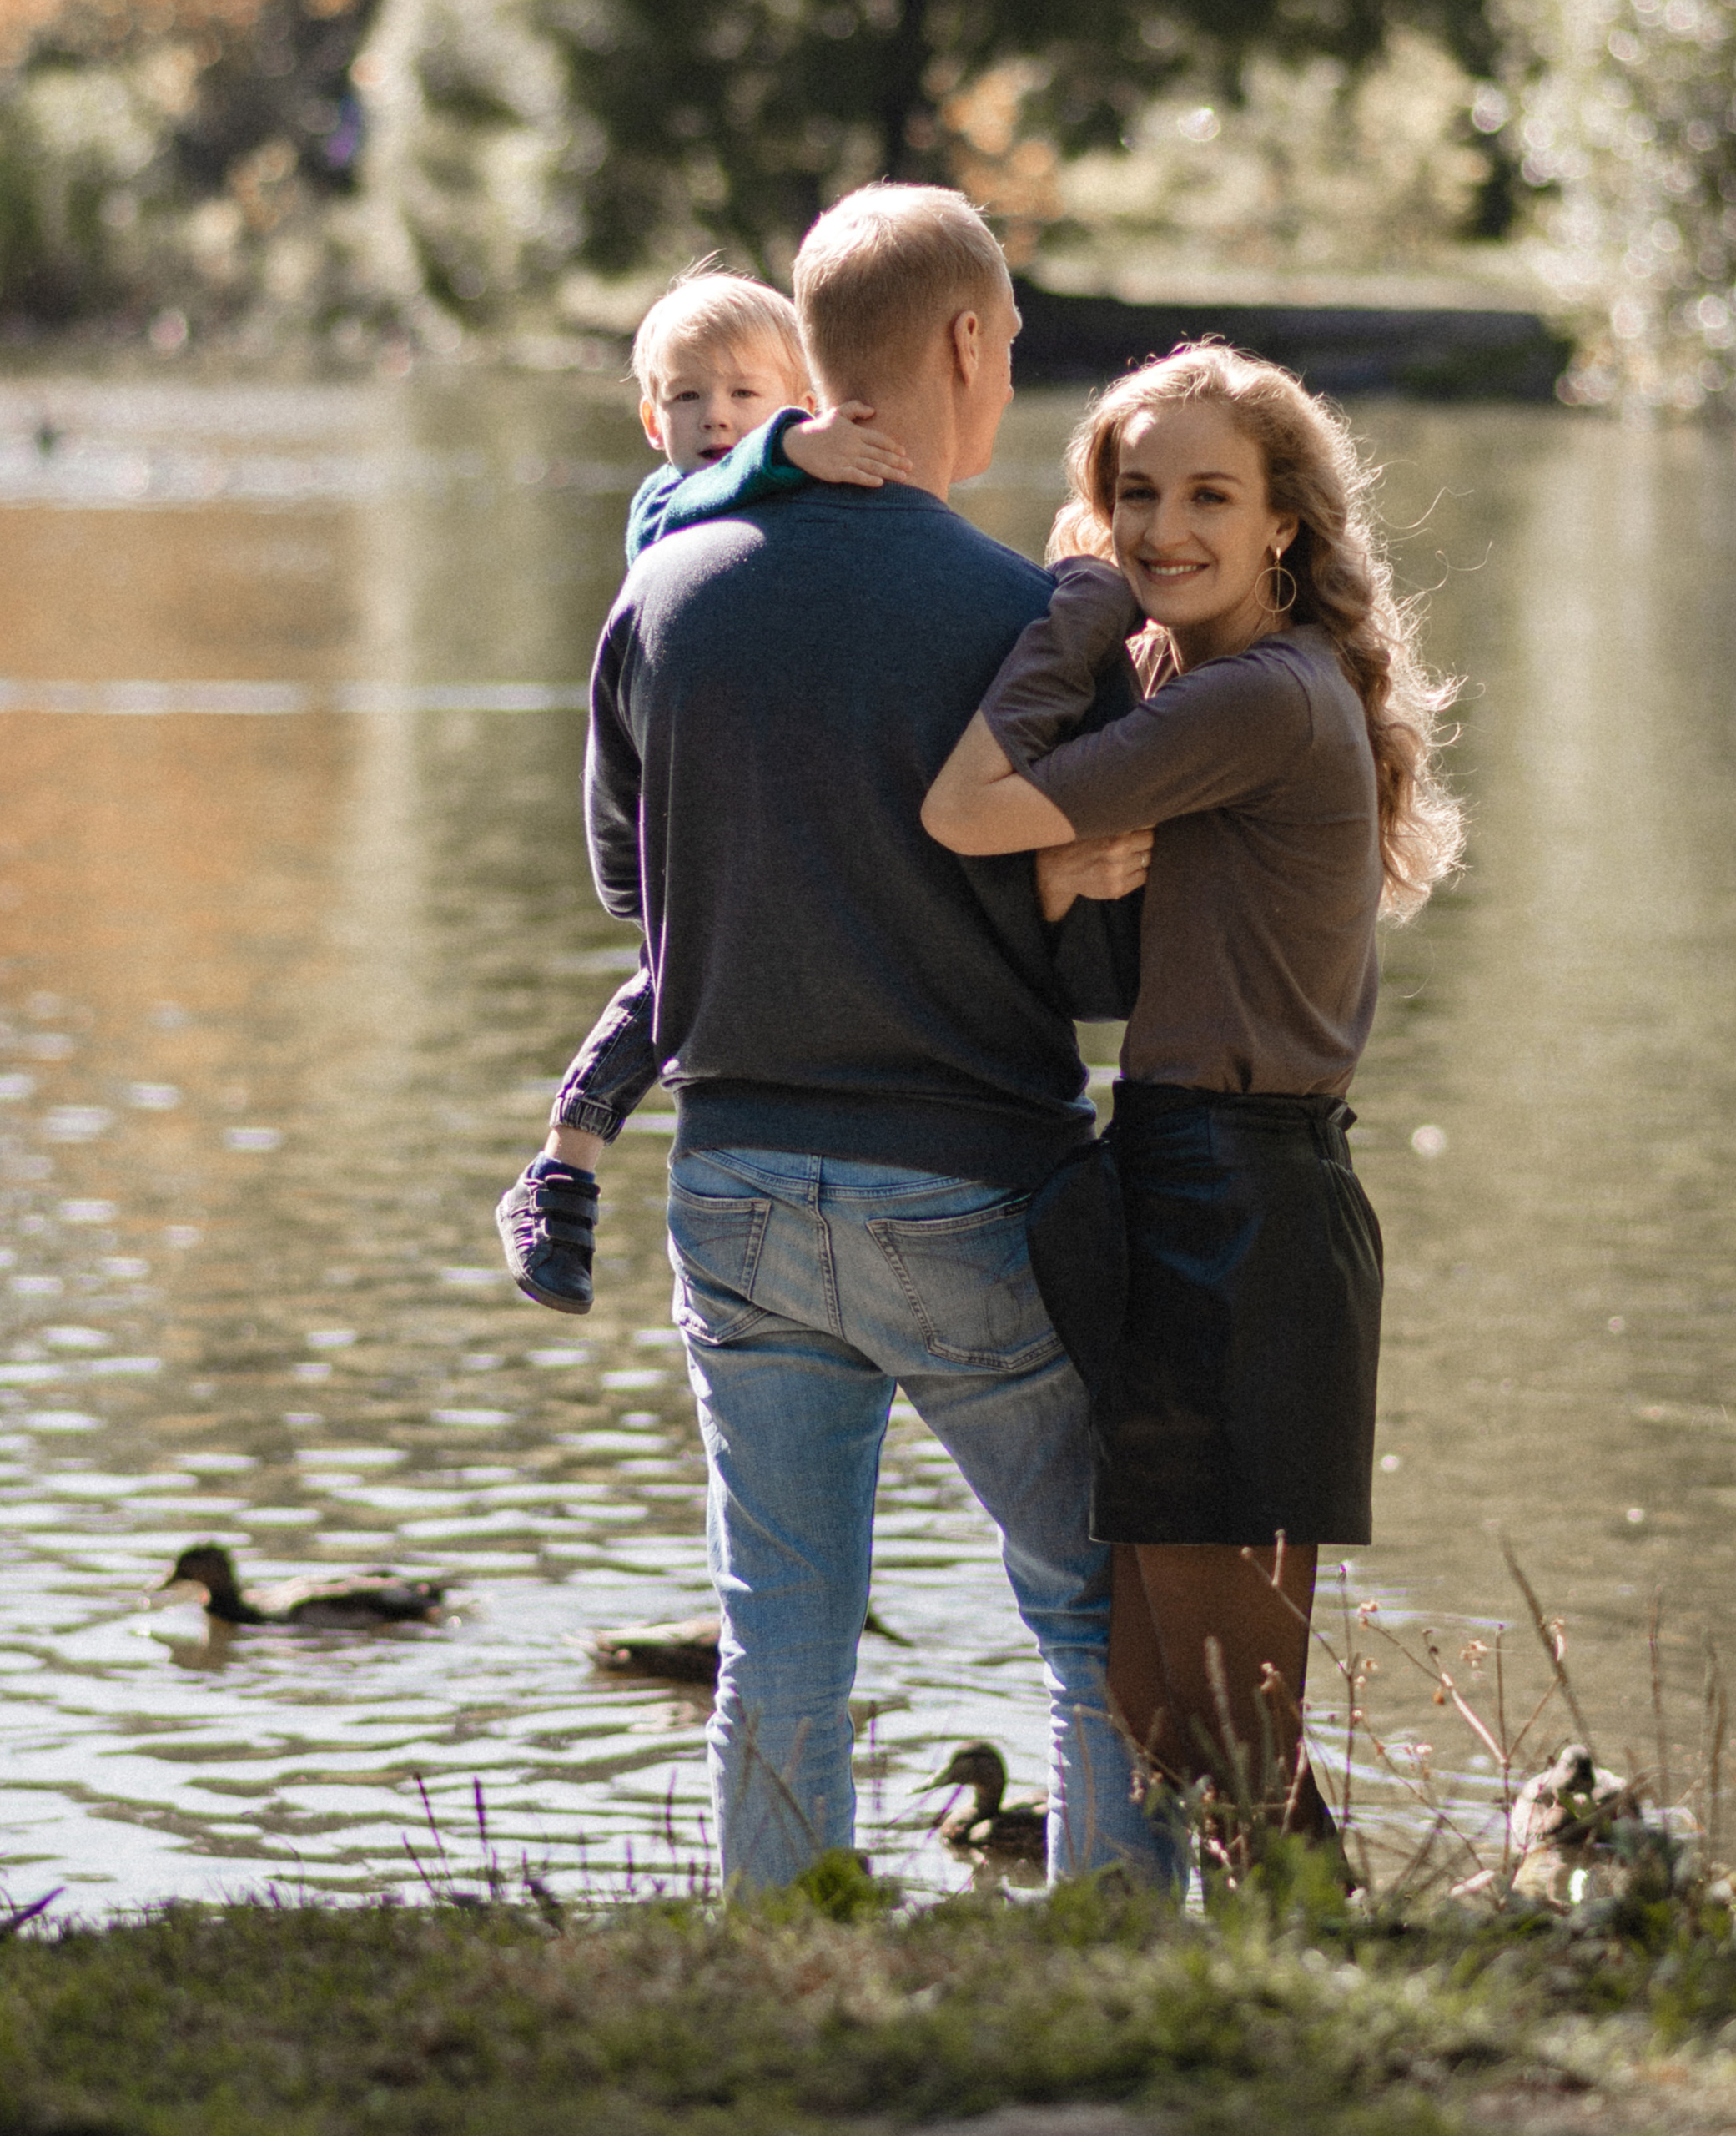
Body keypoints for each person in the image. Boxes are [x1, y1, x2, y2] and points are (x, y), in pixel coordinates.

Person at [580, 181, 1165, 1889]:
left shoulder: (662, 591)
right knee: (1085, 1605)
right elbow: (1101, 975)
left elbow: (635, 891)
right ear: (969, 343)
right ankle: (1120, 1961)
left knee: (780, 1639)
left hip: (738, 1178)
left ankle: (779, 1975)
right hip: (972, 1181)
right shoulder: (1026, 618)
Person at [921, 343, 1462, 1846]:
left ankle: (1345, 2015)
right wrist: (1063, 863)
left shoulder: (1262, 700)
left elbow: (961, 805)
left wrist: (1070, 609)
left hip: (1247, 1207)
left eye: (1207, 496)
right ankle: (1304, 2000)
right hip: (1185, 1180)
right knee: (1174, 1713)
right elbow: (1107, 962)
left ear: (1283, 523)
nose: (1164, 528)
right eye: (1133, 493)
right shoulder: (1194, 682)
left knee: (1224, 1721)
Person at [497, 265, 912, 1316]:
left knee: (706, 985)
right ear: (651, 418)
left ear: (802, 395)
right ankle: (557, 1171)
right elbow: (706, 508)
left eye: (744, 396)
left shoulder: (801, 497)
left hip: (760, 813)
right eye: (687, 397)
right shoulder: (665, 507)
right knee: (666, 982)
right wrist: (793, 452)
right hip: (676, 821)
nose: (715, 417)